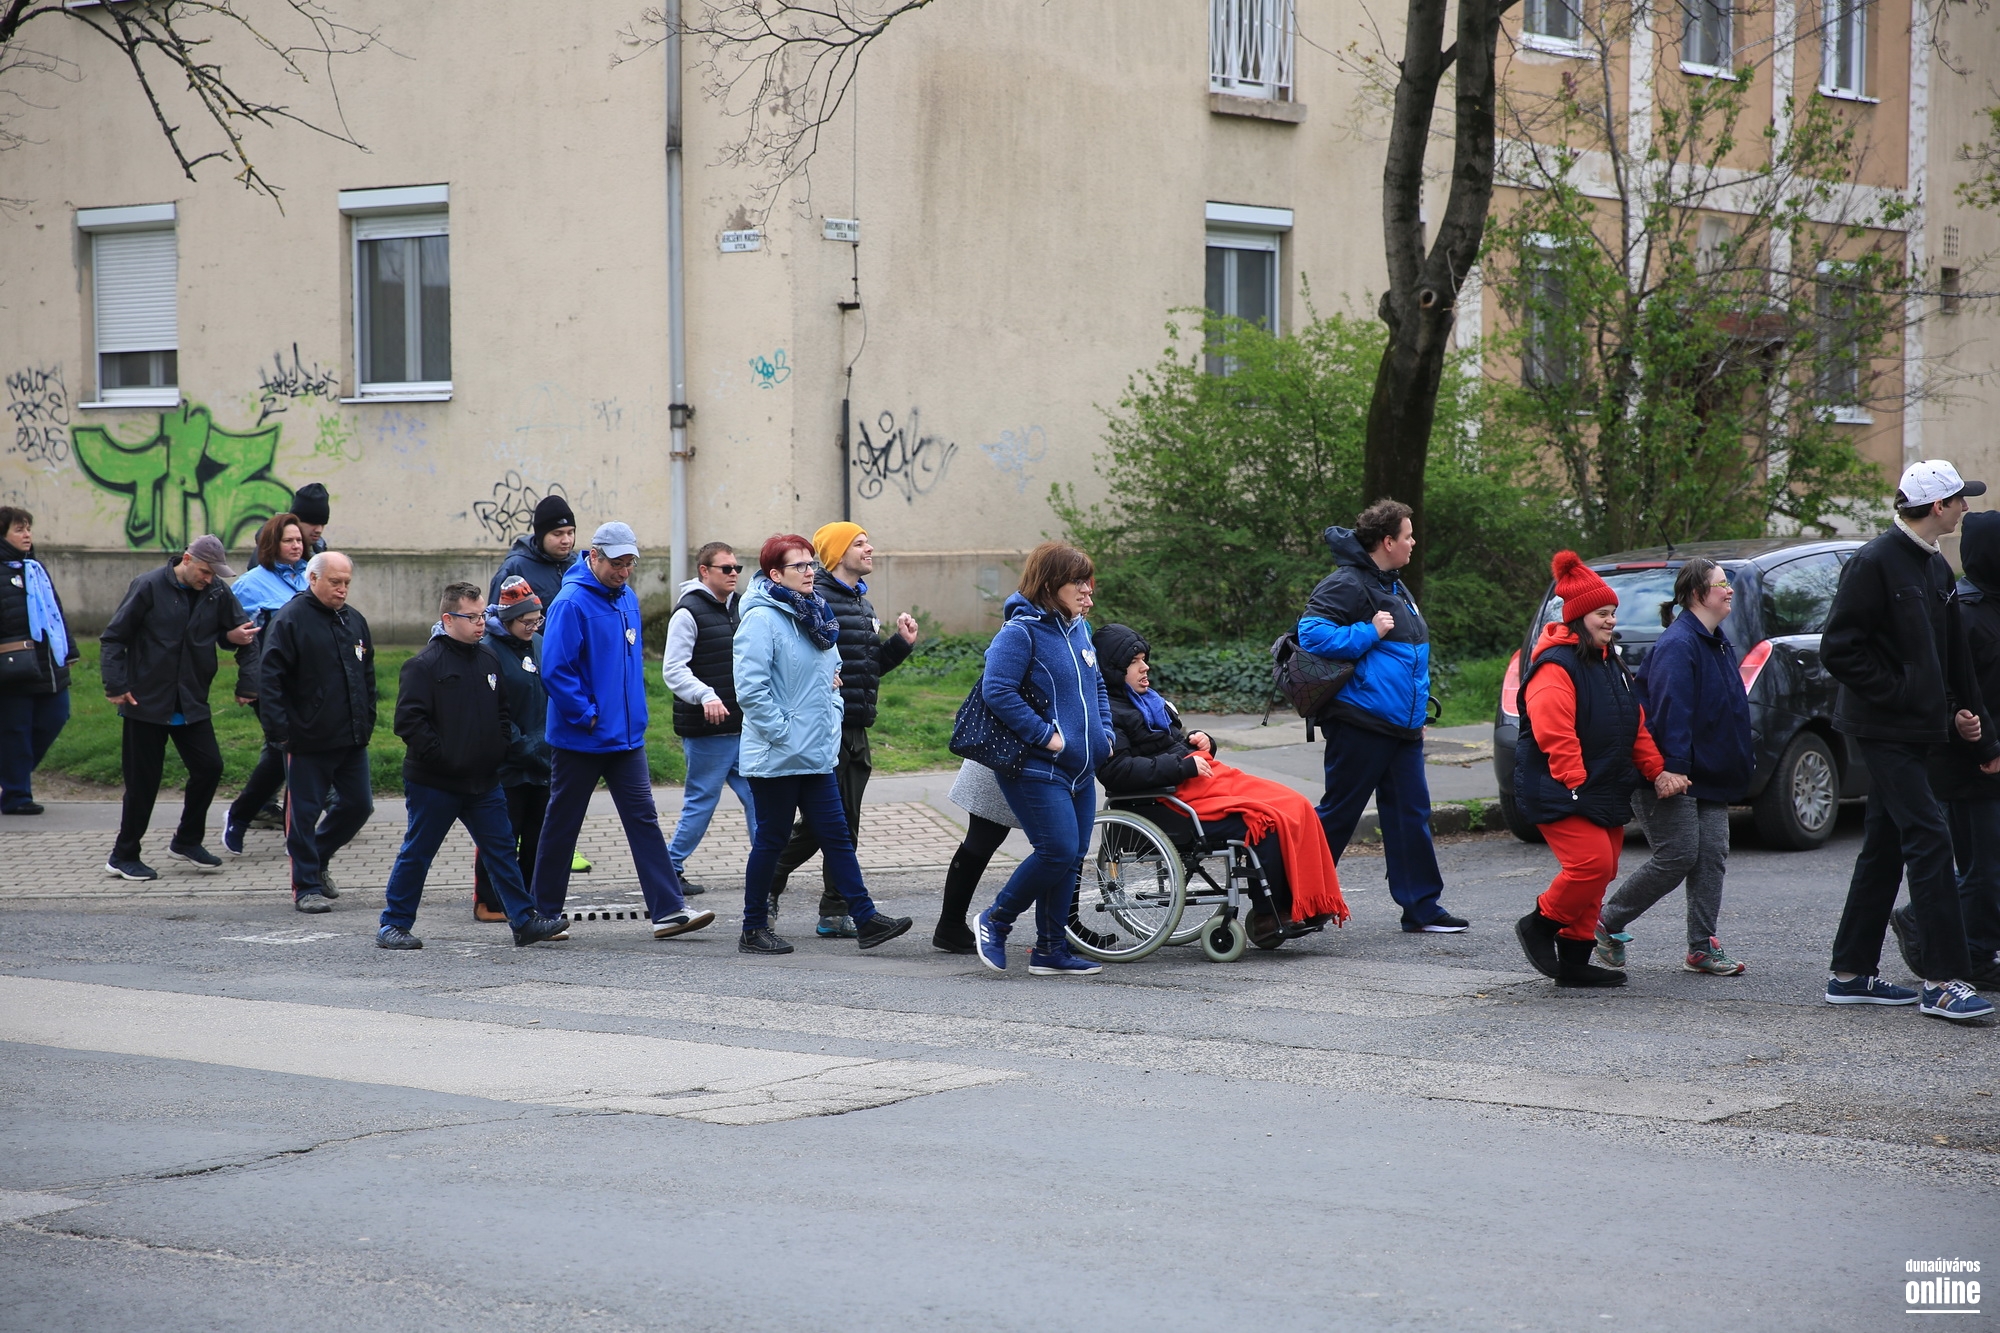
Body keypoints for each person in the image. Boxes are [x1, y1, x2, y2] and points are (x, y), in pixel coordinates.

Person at [1822, 460, 2000, 1022]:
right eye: (1959, 499)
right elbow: (1839, 648)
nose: (1965, 508)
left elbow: (1954, 658)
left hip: (1918, 729)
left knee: (1885, 847)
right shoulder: (1875, 561)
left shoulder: (1934, 566)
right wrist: (1902, 692)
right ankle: (1942, 981)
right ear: (1937, 506)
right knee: (1929, 837)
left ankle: (1850, 974)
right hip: (1882, 728)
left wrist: (1975, 729)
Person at [1093, 623, 1349, 947]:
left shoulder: (1150, 702)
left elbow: (1172, 746)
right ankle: (1269, 915)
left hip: (1198, 782)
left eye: (1144, 659)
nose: (1145, 667)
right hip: (1166, 801)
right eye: (1134, 662)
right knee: (1265, 821)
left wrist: (1201, 742)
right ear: (1114, 670)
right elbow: (1116, 771)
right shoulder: (1107, 714)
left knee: (1296, 805)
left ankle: (1308, 902)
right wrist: (1183, 766)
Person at [529, 521, 713, 939]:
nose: (624, 571)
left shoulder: (627, 596)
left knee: (644, 818)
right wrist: (586, 714)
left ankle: (668, 910)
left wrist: (634, 716)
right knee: (562, 823)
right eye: (616, 563)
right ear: (594, 556)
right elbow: (555, 669)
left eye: (630, 562)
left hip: (626, 738)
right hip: (582, 737)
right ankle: (542, 914)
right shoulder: (570, 602)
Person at [733, 534, 914, 955]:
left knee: (836, 835)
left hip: (815, 750)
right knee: (772, 840)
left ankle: (865, 918)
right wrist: (783, 732)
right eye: (798, 566)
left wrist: (831, 713)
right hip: (777, 754)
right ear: (775, 574)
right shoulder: (761, 619)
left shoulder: (815, 613)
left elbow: (834, 674)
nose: (809, 571)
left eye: (811, 564)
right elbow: (751, 691)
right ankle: (753, 928)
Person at [1297, 499, 1468, 933]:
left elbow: (1410, 659)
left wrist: (1417, 715)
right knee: (1339, 815)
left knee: (1411, 815)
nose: (1414, 542)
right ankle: (1292, 903)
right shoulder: (1347, 582)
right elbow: (1311, 634)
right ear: (1388, 541)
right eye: (1408, 536)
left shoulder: (1394, 584)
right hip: (1360, 722)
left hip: (1402, 727)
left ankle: (1422, 909)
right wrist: (1369, 631)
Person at [375, 582, 568, 950]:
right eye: (472, 617)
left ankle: (523, 920)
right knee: (418, 852)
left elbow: (502, 712)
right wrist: (445, 757)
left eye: (482, 616)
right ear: (448, 619)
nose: (481, 623)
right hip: (435, 782)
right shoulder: (423, 665)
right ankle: (394, 923)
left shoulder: (488, 659)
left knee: (502, 850)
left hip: (484, 781)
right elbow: (409, 723)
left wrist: (496, 749)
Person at [1512, 552, 1671, 989]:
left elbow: (1632, 721)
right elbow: (1553, 730)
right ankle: (1540, 924)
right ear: (1579, 617)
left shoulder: (1607, 662)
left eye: (1613, 612)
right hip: (1563, 786)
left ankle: (1575, 961)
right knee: (1591, 865)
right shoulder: (1555, 665)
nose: (1611, 620)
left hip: (1604, 784)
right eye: (1602, 613)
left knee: (1604, 870)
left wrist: (1655, 769)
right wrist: (1575, 780)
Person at [1594, 557, 1755, 976]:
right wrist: (1674, 767)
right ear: (1698, 594)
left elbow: (1727, 711)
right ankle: (1605, 922)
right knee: (1679, 854)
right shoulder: (1679, 645)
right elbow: (1670, 713)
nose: (1729, 590)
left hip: (1707, 772)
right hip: (1668, 772)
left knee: (1712, 854)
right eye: (1721, 584)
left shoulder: (1716, 641)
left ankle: (1701, 947)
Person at [968, 542, 1114, 977]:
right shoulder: (1020, 632)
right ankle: (995, 920)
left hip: (1081, 769)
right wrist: (1045, 737)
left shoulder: (1080, 628)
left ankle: (1051, 949)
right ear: (1050, 584)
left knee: (1071, 857)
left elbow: (1097, 686)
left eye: (1089, 581)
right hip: (1036, 767)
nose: (1088, 590)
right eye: (1078, 582)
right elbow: (997, 691)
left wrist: (1105, 735)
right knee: (1056, 851)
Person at [100, 535, 259, 880]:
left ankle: (187, 840)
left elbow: (245, 635)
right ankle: (123, 855)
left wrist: (248, 683)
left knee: (209, 767)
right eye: (204, 572)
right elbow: (114, 637)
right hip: (145, 701)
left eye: (214, 574)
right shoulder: (148, 586)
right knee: (143, 783)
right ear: (187, 560)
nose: (209, 579)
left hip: (190, 701)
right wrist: (115, 684)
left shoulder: (216, 592)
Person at [259, 552, 377, 913]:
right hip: (306, 738)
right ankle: (306, 885)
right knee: (303, 815)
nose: (342, 590)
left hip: (351, 735)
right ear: (313, 579)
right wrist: (280, 731)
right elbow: (270, 678)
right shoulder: (291, 619)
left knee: (358, 805)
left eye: (346, 583)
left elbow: (367, 675)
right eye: (335, 582)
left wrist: (367, 717)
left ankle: (319, 855)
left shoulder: (353, 620)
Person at [1914, 510, 2000, 991]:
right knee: (1981, 868)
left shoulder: (1992, 606)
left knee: (1988, 865)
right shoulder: (1964, 612)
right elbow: (1945, 685)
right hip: (1967, 762)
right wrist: (1975, 736)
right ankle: (1971, 953)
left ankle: (1943, 930)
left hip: (1991, 754)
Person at [662, 541, 756, 894]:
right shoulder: (688, 612)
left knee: (759, 799)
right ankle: (669, 869)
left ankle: (767, 869)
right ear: (704, 571)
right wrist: (706, 695)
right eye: (726, 568)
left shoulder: (740, 607)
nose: (734, 574)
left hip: (743, 727)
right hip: (708, 731)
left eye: (737, 568)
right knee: (701, 803)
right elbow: (673, 670)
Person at [222, 512, 309, 852]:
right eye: (289, 540)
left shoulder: (311, 577)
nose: (296, 546)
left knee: (297, 754)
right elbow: (232, 637)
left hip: (309, 682)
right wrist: (249, 684)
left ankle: (293, 831)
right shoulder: (251, 583)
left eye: (299, 540)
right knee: (284, 750)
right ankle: (242, 816)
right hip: (269, 683)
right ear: (272, 544)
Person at [472, 577, 554, 923]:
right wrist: (526, 746)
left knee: (537, 835)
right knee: (503, 836)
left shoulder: (539, 644)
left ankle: (527, 899)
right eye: (526, 621)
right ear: (507, 620)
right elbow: (493, 712)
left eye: (537, 620)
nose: (533, 627)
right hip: (508, 764)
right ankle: (488, 902)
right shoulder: (489, 651)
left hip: (543, 761)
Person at [0, 506, 79, 816]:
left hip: (47, 661)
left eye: (28, 528)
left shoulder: (33, 568)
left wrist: (69, 650)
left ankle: (10, 777)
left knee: (56, 716)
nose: (27, 535)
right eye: (19, 529)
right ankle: (17, 795)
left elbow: (54, 612)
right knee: (16, 730)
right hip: (13, 666)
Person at [933, 761, 1018, 954]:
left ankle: (1064, 928)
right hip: (1003, 758)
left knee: (1065, 842)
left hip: (1033, 762)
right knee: (983, 837)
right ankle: (950, 925)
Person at [489, 495, 578, 609]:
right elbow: (495, 616)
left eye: (570, 533)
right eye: (557, 534)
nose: (566, 540)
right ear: (541, 536)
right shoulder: (515, 568)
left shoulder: (578, 564)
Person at [291, 484, 331, 556]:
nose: (319, 530)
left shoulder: (319, 548)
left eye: (323, 524)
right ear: (295, 521)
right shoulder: (273, 551)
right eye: (313, 523)